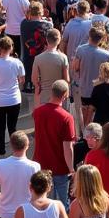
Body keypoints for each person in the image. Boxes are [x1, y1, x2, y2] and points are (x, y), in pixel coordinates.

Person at [31, 79, 76, 207]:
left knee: (43, 203)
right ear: (65, 95)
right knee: (61, 205)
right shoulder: (66, 118)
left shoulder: (38, 112)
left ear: (52, 92)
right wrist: (71, 169)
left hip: (41, 165)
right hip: (60, 168)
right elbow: (68, 148)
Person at [0, 36, 25, 156]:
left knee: (1, 126)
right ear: (11, 48)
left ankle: (1, 150)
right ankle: (15, 150)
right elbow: (22, 80)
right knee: (13, 127)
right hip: (14, 99)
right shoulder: (17, 62)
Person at [32, 27, 70, 105]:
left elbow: (34, 79)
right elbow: (67, 79)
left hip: (44, 96)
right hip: (59, 96)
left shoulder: (38, 58)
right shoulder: (63, 57)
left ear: (46, 40)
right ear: (59, 40)